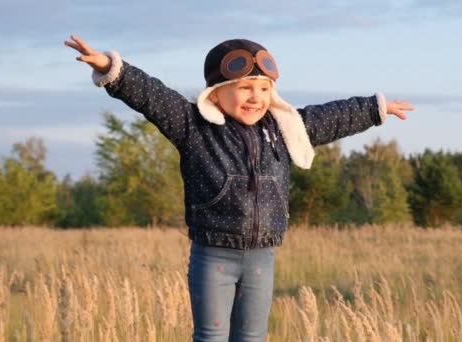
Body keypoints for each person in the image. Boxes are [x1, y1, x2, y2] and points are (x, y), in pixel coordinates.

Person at [65, 34, 414, 341]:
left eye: (264, 89)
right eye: (244, 87)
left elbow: (331, 117)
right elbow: (153, 97)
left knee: (252, 337)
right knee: (211, 336)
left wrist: (375, 108)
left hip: (263, 255)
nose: (255, 97)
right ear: (217, 94)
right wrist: (114, 69)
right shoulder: (194, 128)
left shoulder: (282, 128)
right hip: (213, 254)